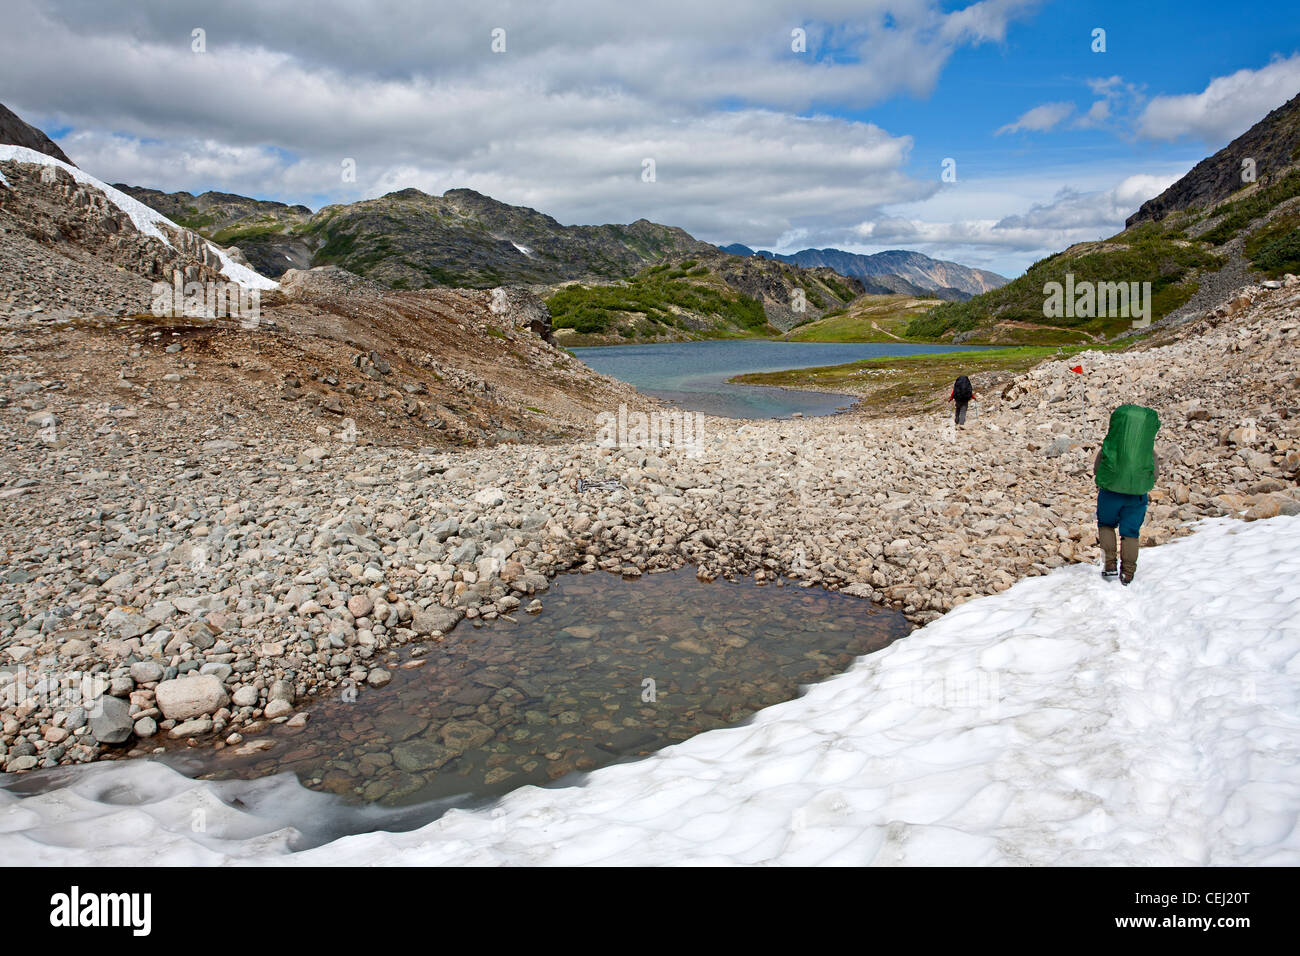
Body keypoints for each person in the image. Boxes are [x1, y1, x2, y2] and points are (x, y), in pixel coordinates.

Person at [1093, 404, 1161, 585]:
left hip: (1110, 493)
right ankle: (1128, 573)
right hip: (1136, 495)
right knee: (1130, 532)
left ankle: (1109, 566)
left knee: (1106, 525)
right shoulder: (1147, 451)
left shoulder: (1111, 445)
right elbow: (1155, 475)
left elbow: (1097, 469)